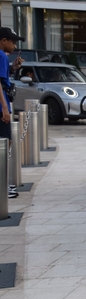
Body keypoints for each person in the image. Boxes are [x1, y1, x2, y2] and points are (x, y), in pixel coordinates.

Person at [0, 27, 24, 198]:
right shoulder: (1, 55)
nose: (15, 46)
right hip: (1, 109)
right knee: (4, 145)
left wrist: (13, 68)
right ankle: (3, 187)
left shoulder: (3, 57)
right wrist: (5, 108)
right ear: (3, 41)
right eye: (13, 42)